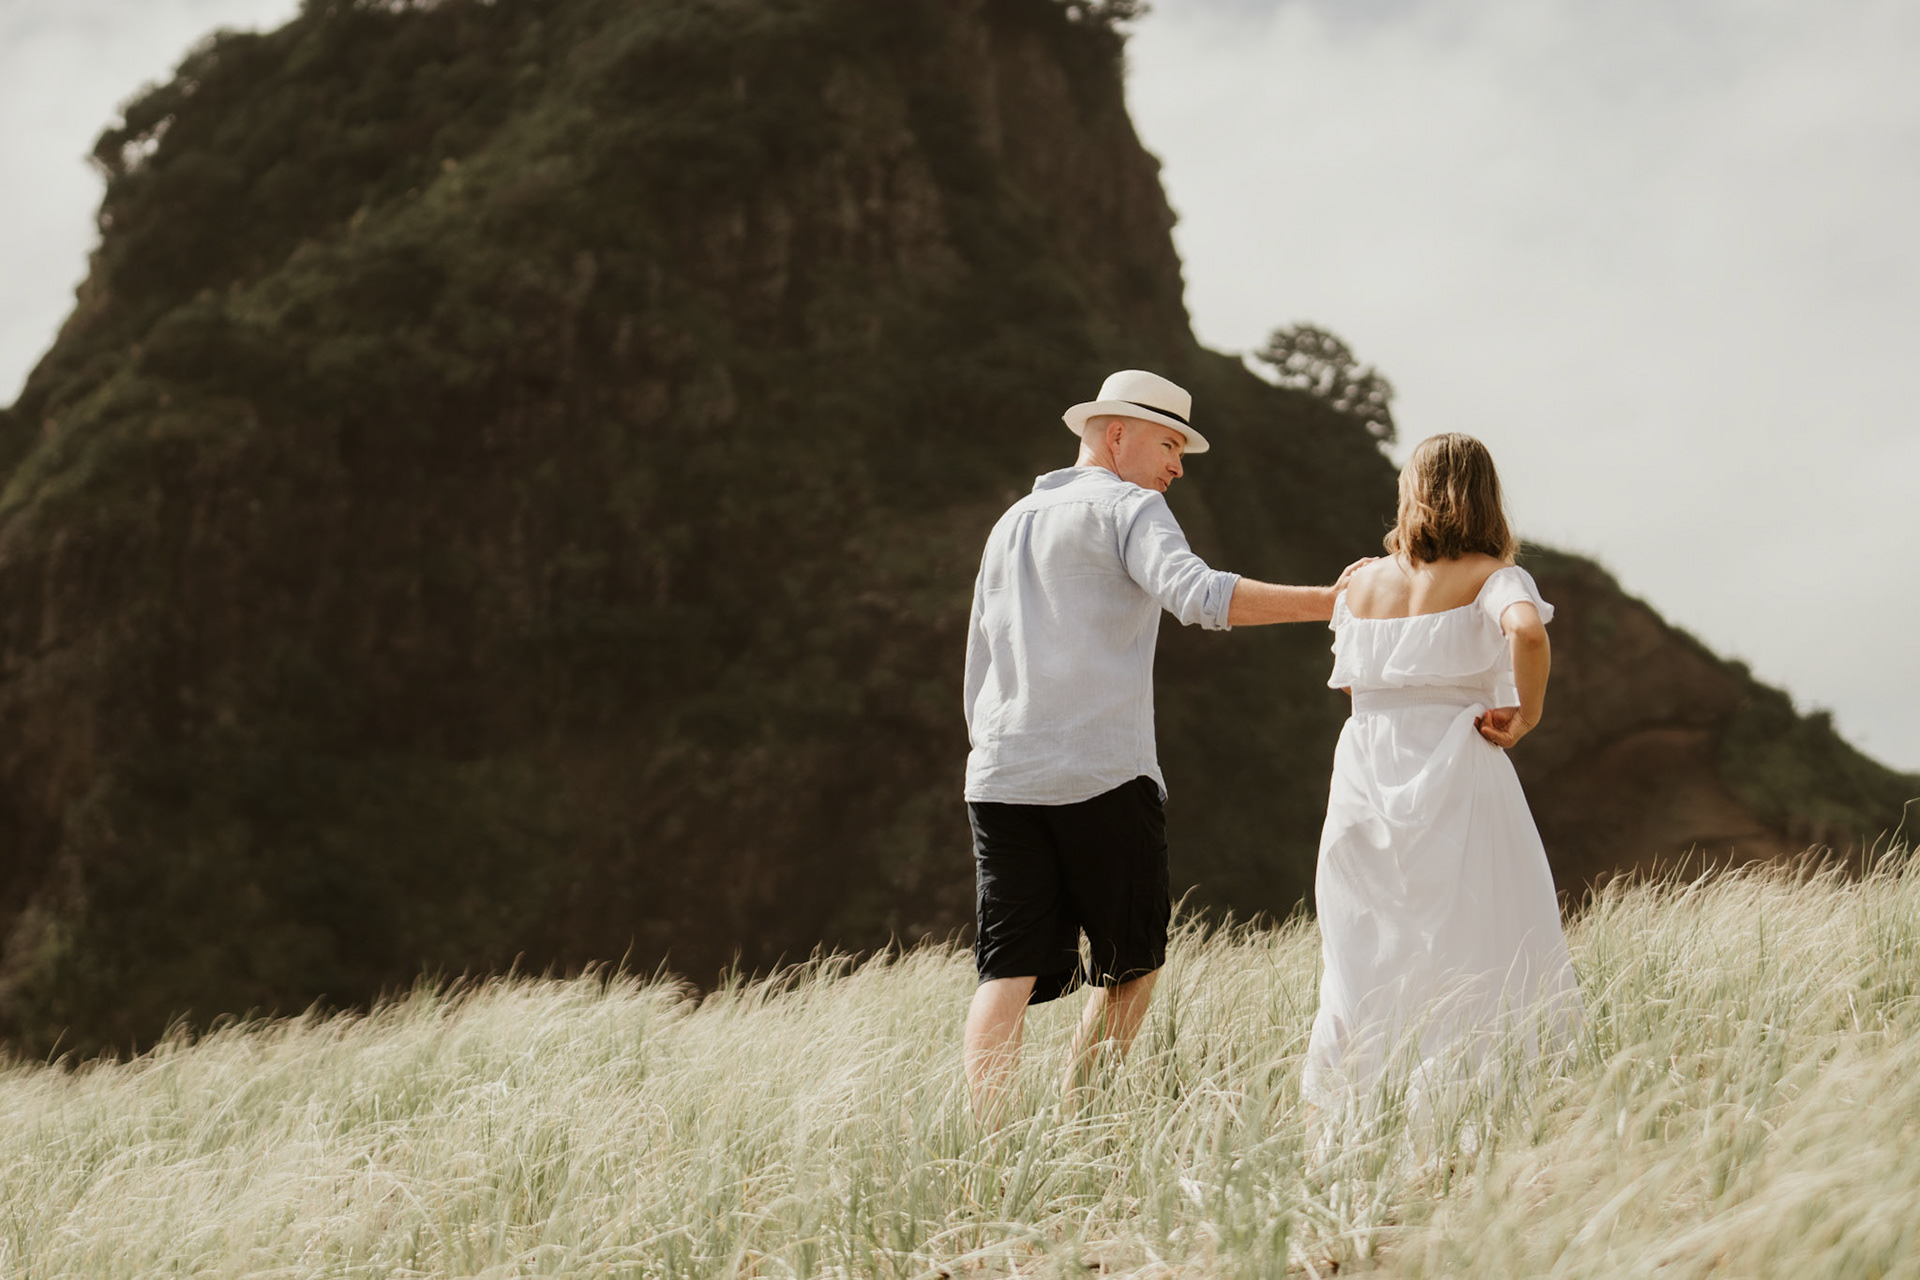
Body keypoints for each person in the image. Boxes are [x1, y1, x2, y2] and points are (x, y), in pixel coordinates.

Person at [962, 368, 1365, 1121]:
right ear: (1117, 434)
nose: (1178, 466)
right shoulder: (1131, 507)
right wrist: (1332, 601)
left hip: (1000, 774)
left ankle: (986, 1152)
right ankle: (1084, 1127)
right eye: (1170, 445)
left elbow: (979, 660)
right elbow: (1200, 596)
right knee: (1132, 963)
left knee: (1006, 968)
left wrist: (993, 749)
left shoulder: (1011, 520)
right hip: (1102, 774)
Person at [1303, 432, 1582, 1115]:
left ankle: (1361, 1112)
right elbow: (1529, 632)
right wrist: (1527, 713)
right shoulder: (1494, 576)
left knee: (1366, 951)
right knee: (1478, 941)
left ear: (1411, 492)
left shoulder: (1360, 583)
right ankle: (1469, 1110)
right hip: (1458, 773)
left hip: (1365, 780)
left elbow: (1357, 686)